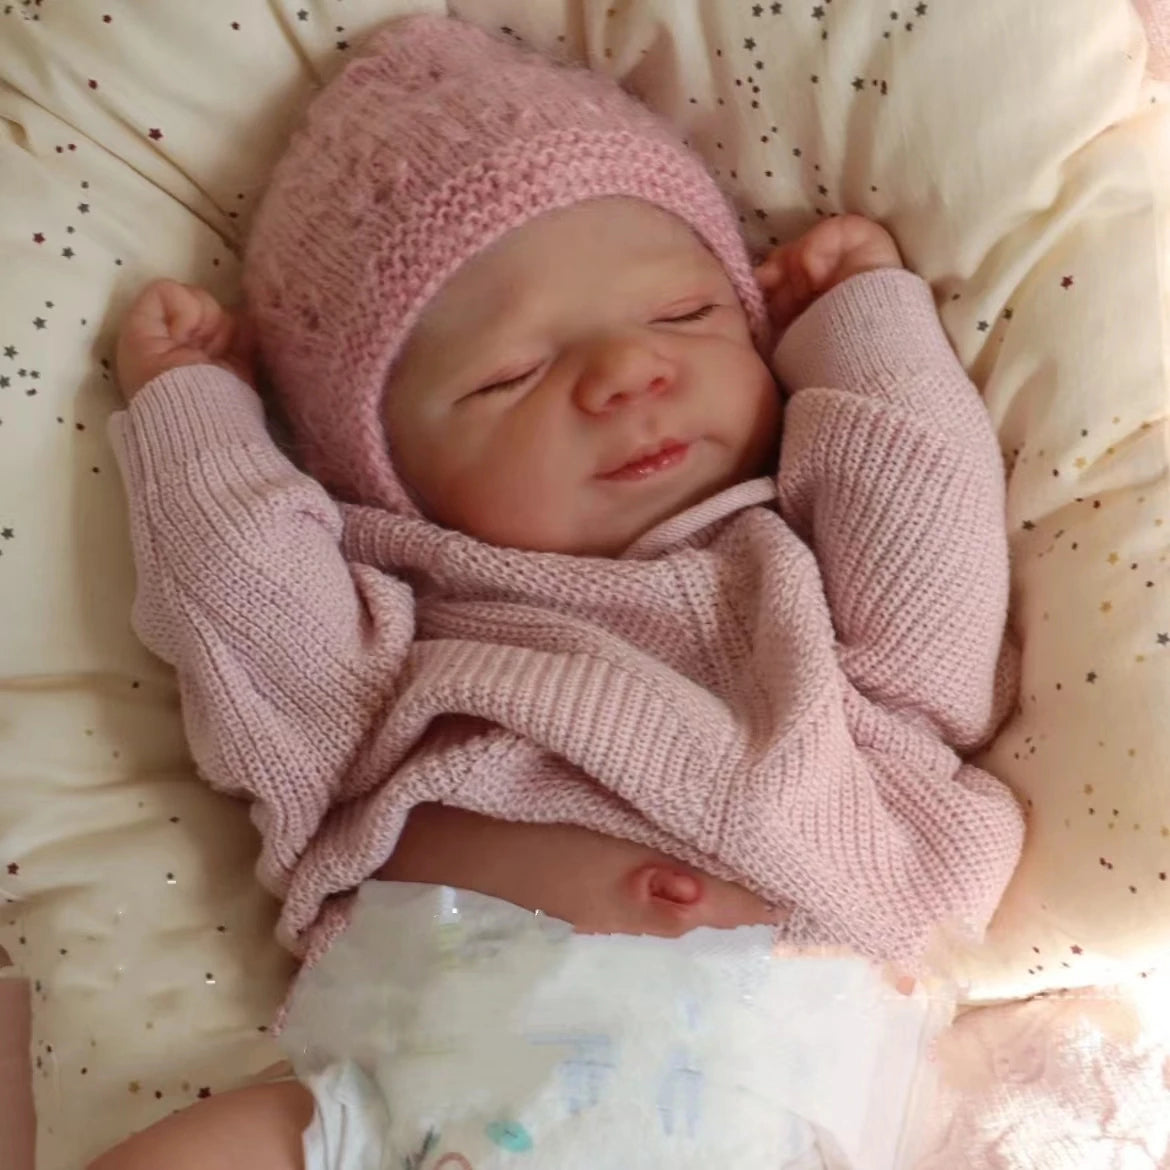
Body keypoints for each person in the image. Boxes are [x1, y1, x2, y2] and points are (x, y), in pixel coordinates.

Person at [92, 13, 1023, 1166]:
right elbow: (244, 611)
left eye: (685, 314)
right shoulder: (404, 645)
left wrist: (861, 327)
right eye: (511, 375)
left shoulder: (790, 589)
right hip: (412, 1097)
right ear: (384, 469)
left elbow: (930, 524)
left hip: (789, 1092)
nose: (628, 370)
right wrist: (195, 413)